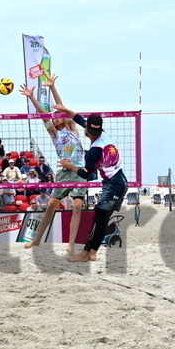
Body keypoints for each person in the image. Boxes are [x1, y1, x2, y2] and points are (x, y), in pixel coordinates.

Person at [20, 76, 87, 253]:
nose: (56, 118)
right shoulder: (55, 134)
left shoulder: (72, 128)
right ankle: (36, 239)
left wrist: (53, 87)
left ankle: (71, 244)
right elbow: (44, 116)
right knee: (51, 205)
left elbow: (61, 107)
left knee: (78, 206)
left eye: (59, 117)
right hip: (64, 172)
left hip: (79, 171)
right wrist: (31, 97)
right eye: (54, 117)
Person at [55, 106, 128, 262]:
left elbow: (85, 175)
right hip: (119, 181)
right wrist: (63, 108)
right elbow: (78, 118)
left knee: (99, 219)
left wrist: (71, 167)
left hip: (114, 184)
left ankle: (87, 253)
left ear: (87, 130)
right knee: (101, 219)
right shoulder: (104, 135)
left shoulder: (94, 151)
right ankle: (92, 252)